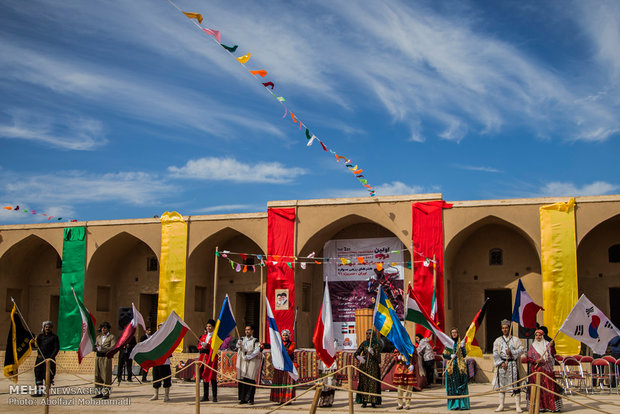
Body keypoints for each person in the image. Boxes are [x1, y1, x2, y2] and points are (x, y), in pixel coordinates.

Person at [526, 329, 562, 413]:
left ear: (542, 336)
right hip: (536, 370)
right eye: (536, 335)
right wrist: (535, 361)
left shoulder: (547, 344)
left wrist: (552, 346)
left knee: (549, 388)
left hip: (546, 370)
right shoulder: (532, 346)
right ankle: (539, 406)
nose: (538, 337)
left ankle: (552, 407)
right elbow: (529, 357)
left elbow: (552, 354)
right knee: (537, 388)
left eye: (540, 335)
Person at [493, 319, 525, 413]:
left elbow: (521, 350)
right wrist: (501, 363)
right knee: (502, 386)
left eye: (506, 328)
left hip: (513, 365)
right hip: (502, 365)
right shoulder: (498, 340)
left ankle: (518, 406)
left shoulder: (515, 340)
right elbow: (495, 353)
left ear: (509, 328)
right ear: (501, 329)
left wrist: (512, 352)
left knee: (515, 385)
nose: (505, 329)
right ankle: (501, 405)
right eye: (503, 328)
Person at [443, 328, 470, 410]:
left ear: (458, 333)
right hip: (451, 368)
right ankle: (454, 405)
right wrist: (449, 356)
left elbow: (464, 355)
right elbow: (444, 355)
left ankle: (462, 404)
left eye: (455, 332)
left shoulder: (460, 343)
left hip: (460, 368)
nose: (454, 334)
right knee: (452, 387)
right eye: (452, 333)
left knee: (461, 385)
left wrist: (462, 347)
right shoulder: (448, 344)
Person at [354, 329, 381, 408]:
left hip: (373, 367)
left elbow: (377, 357)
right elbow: (356, 353)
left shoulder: (377, 344)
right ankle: (364, 401)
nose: (368, 335)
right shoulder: (364, 344)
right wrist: (359, 357)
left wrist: (372, 352)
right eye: (367, 333)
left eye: (369, 333)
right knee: (364, 383)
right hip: (364, 366)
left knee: (373, 383)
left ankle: (373, 401)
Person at [32, 321, 60, 397]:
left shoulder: (54, 337)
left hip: (49, 360)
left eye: (49, 327)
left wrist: (51, 357)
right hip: (40, 359)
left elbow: (56, 348)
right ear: (44, 328)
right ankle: (39, 392)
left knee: (48, 376)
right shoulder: (40, 337)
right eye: (46, 327)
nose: (47, 328)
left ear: (51, 328)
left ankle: (47, 391)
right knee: (38, 375)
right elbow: (35, 345)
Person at [236, 324, 261, 405]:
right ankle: (242, 399)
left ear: (252, 331)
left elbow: (257, 350)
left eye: (249, 330)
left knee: (250, 379)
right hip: (243, 361)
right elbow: (237, 347)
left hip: (251, 361)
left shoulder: (255, 341)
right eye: (246, 329)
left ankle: (250, 399)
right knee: (242, 380)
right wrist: (239, 344)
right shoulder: (242, 339)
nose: (247, 331)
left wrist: (249, 357)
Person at [270, 329, 296, 404]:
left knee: (287, 381)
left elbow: (289, 351)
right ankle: (279, 398)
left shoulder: (292, 343)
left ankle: (287, 399)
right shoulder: (279, 343)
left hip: (288, 365)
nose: (285, 337)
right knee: (279, 381)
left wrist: (280, 349)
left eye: (286, 335)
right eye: (283, 335)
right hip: (279, 365)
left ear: (289, 336)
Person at [93, 322, 116, 399]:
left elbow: (112, 347)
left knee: (106, 375)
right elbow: (96, 346)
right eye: (102, 328)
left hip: (106, 358)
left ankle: (106, 393)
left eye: (105, 328)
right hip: (98, 358)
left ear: (108, 329)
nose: (103, 329)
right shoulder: (98, 337)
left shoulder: (111, 337)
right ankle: (98, 392)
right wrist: (94, 348)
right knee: (97, 375)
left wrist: (102, 349)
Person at [150, 324, 172, 402]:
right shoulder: (154, 338)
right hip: (156, 362)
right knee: (156, 378)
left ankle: (166, 395)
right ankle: (156, 394)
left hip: (165, 362)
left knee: (166, 379)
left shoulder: (168, 338)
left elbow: (170, 348)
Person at [198, 319, 218, 402]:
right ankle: (205, 396)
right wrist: (202, 347)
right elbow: (199, 346)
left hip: (212, 358)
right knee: (204, 376)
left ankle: (214, 396)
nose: (208, 328)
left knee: (213, 377)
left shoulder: (215, 337)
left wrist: (208, 346)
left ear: (213, 327)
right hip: (204, 358)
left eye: (210, 326)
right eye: (207, 326)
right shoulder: (203, 336)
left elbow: (215, 347)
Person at [318, 341, 338, 407]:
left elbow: (333, 352)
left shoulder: (334, 342)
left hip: (330, 365)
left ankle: (329, 401)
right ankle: (322, 401)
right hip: (322, 366)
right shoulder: (320, 340)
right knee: (322, 384)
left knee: (330, 384)